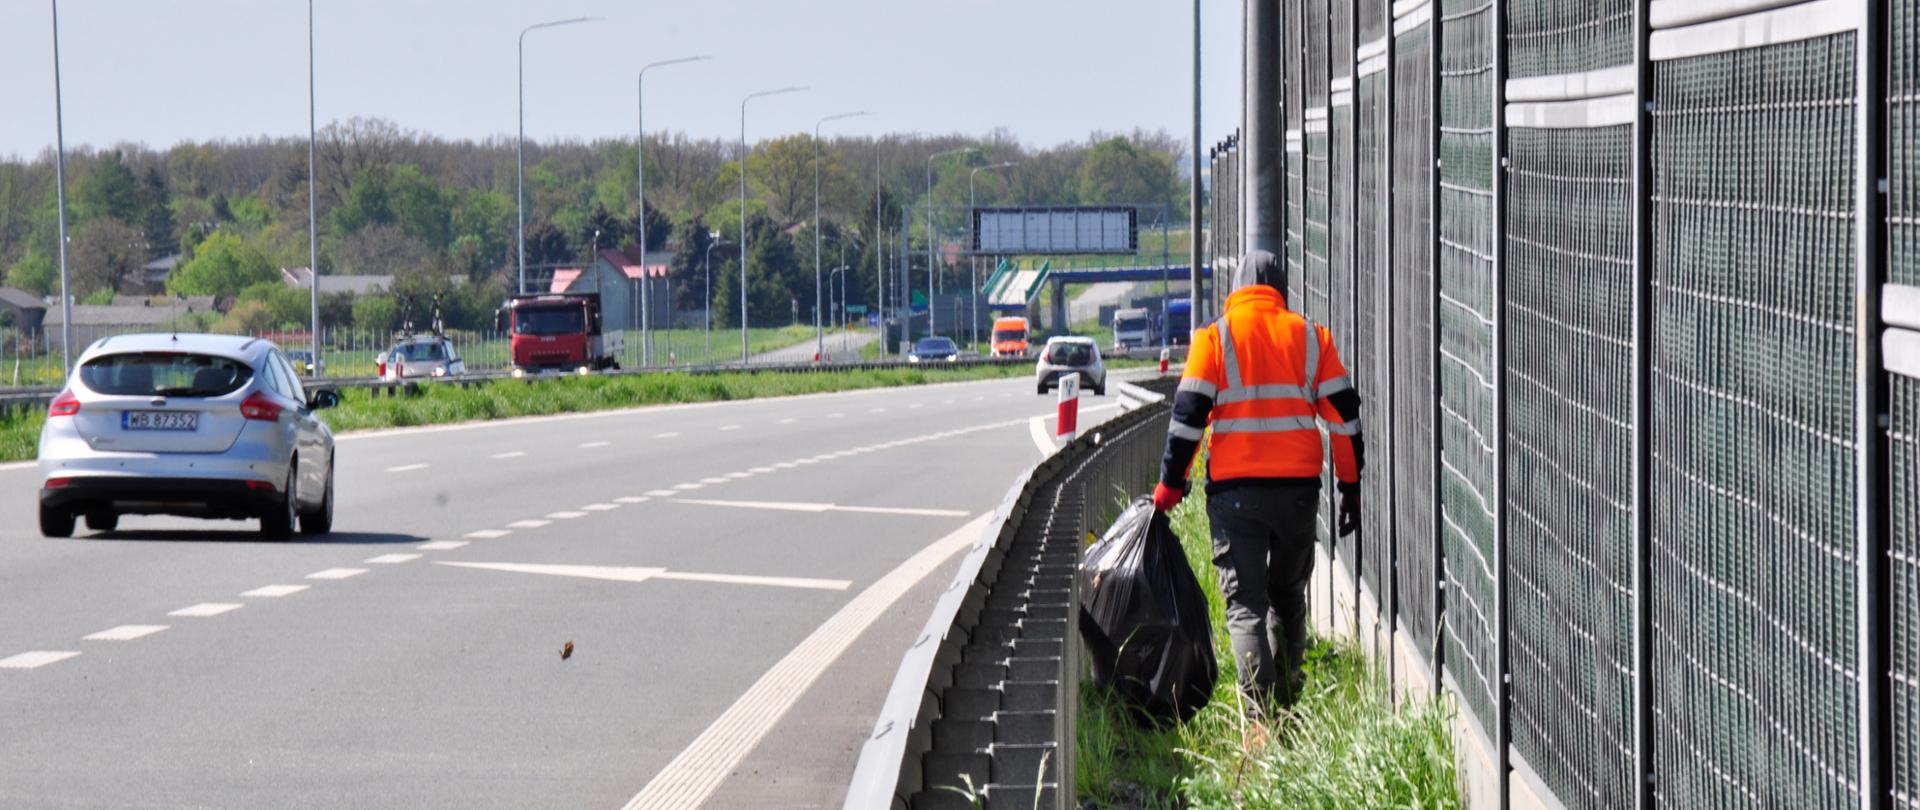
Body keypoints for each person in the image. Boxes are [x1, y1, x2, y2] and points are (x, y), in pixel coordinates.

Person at [1152, 249, 1364, 711]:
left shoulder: (1215, 337)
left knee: (1245, 604)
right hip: (1297, 493)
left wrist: (1171, 484)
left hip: (1235, 494)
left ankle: (1260, 718)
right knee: (1287, 595)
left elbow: (1187, 418)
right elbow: (1345, 419)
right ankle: (1291, 692)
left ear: (1237, 290)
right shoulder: (1312, 338)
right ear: (1279, 292)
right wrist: (1350, 486)